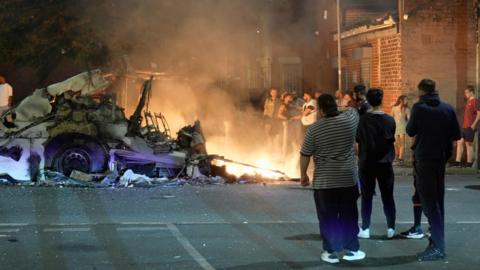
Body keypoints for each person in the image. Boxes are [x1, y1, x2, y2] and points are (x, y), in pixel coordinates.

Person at [300, 94, 365, 264]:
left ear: (320, 110)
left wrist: (303, 175)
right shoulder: (350, 120)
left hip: (324, 181)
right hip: (347, 179)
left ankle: (330, 252)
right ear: (335, 105)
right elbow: (352, 109)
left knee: (328, 217)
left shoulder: (314, 129)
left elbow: (305, 154)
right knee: (349, 215)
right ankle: (351, 249)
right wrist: (339, 107)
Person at [406, 79, 461, 261]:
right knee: (438, 202)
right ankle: (437, 242)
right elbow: (455, 135)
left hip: (424, 159)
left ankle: (438, 246)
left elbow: (410, 130)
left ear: (421, 91)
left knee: (429, 203)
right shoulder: (447, 108)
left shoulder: (419, 108)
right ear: (435, 90)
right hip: (440, 159)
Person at [356, 88, 397, 239]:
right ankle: (391, 228)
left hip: (367, 162)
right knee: (388, 196)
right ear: (382, 100)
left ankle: (365, 228)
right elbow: (391, 138)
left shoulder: (363, 120)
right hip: (385, 163)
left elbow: (358, 139)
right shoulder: (389, 120)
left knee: (366, 197)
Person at [453, 85, 480, 168]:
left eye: (467, 92)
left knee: (468, 145)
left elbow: (479, 114)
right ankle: (457, 162)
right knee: (459, 142)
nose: (465, 94)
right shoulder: (468, 101)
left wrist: (473, 125)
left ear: (471, 92)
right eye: (465, 92)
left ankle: (469, 163)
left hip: (470, 127)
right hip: (464, 126)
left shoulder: (475, 101)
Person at [392, 95, 410, 164]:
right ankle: (396, 156)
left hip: (402, 127)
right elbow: (391, 117)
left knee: (402, 144)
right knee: (395, 143)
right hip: (395, 126)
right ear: (401, 100)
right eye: (405, 100)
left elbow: (409, 119)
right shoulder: (394, 108)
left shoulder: (407, 109)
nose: (406, 101)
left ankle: (400, 158)